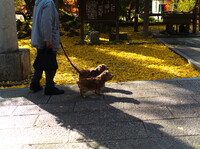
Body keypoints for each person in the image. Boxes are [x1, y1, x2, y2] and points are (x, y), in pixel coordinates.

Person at [30, 0, 64, 95]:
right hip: (46, 39)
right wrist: (48, 39)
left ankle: (35, 83)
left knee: (40, 61)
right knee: (50, 63)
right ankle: (49, 86)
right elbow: (46, 22)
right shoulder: (48, 3)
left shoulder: (38, 2)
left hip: (39, 37)